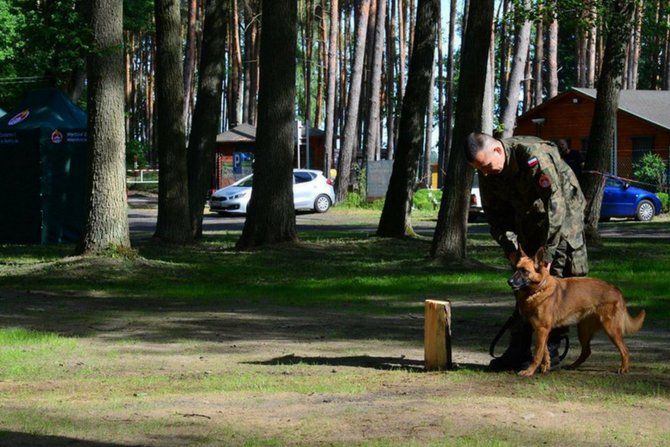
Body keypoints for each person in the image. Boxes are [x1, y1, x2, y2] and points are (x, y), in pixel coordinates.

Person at [464, 132, 589, 372]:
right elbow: (495, 218)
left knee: (556, 283)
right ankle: (518, 349)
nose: (486, 173)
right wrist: (510, 250)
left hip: (562, 222)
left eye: (487, 166)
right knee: (524, 283)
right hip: (529, 221)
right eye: (480, 170)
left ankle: (550, 349)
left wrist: (550, 254)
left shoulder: (533, 155)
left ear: (498, 151)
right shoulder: (488, 171)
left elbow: (556, 205)